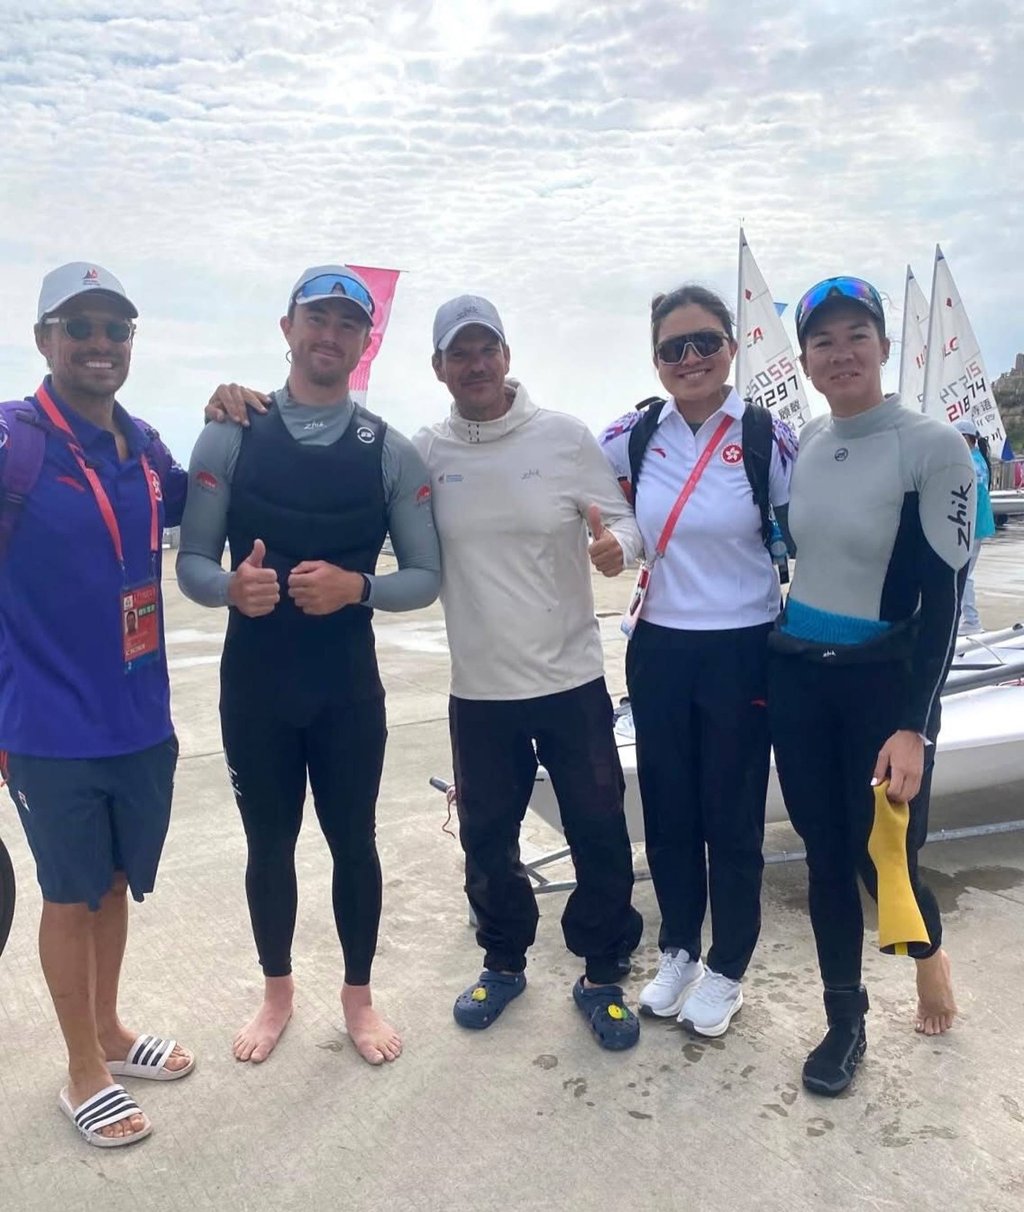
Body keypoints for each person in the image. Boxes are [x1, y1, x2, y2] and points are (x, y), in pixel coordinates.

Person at [177, 265, 441, 1066]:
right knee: (269, 846)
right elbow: (191, 559)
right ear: (287, 328)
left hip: (345, 690)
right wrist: (232, 587)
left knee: (353, 841)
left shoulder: (391, 452)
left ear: (365, 343)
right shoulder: (229, 433)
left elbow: (426, 577)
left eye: (347, 324)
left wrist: (357, 586)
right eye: (316, 318)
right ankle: (277, 993)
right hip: (254, 686)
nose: (330, 335)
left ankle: (358, 1000)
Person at [417, 296, 646, 1049]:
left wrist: (619, 547)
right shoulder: (425, 453)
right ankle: (504, 962)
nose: (476, 364)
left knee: (599, 833)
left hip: (570, 681)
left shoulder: (565, 437)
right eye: (460, 353)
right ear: (439, 367)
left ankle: (602, 972)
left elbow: (625, 520)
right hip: (479, 690)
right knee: (487, 841)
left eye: (487, 349)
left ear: (507, 357)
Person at [0, 263, 192, 1148]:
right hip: (45, 723)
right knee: (67, 894)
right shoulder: (14, 442)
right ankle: (82, 1069)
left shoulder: (144, 449)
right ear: (44, 339)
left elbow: (212, 505)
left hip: (140, 718)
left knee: (115, 882)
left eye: (116, 329)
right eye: (79, 327)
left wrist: (236, 411)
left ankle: (110, 1032)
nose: (99, 344)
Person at [767, 276, 974, 1096]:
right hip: (799, 677)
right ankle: (843, 1019)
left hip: (883, 686)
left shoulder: (932, 446)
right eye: (823, 341)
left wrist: (911, 724)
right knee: (822, 855)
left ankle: (928, 954)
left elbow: (947, 602)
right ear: (808, 363)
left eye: (857, 335)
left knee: (885, 858)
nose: (841, 352)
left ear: (885, 347)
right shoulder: (809, 442)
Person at [598, 285, 795, 1038]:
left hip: (744, 647)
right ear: (655, 358)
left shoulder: (767, 436)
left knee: (732, 813)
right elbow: (594, 498)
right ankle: (678, 947)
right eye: (674, 348)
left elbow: (807, 518)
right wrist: (619, 541)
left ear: (731, 348)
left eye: (705, 342)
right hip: (660, 647)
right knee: (671, 808)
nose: (691, 359)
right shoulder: (630, 435)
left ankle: (729, 965)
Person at [953, 417, 996, 634]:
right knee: (964, 571)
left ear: (965, 438)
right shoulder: (979, 458)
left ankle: (971, 621)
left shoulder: (968, 461)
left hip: (971, 525)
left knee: (964, 572)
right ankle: (967, 619)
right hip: (978, 525)